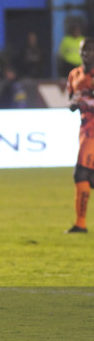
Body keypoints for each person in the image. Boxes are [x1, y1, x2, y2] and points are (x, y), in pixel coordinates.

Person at [65, 37, 94, 233]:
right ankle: (80, 223)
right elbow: (71, 102)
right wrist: (75, 104)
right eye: (84, 50)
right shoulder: (74, 74)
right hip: (84, 130)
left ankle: (80, 224)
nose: (86, 53)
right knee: (88, 177)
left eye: (90, 50)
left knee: (81, 173)